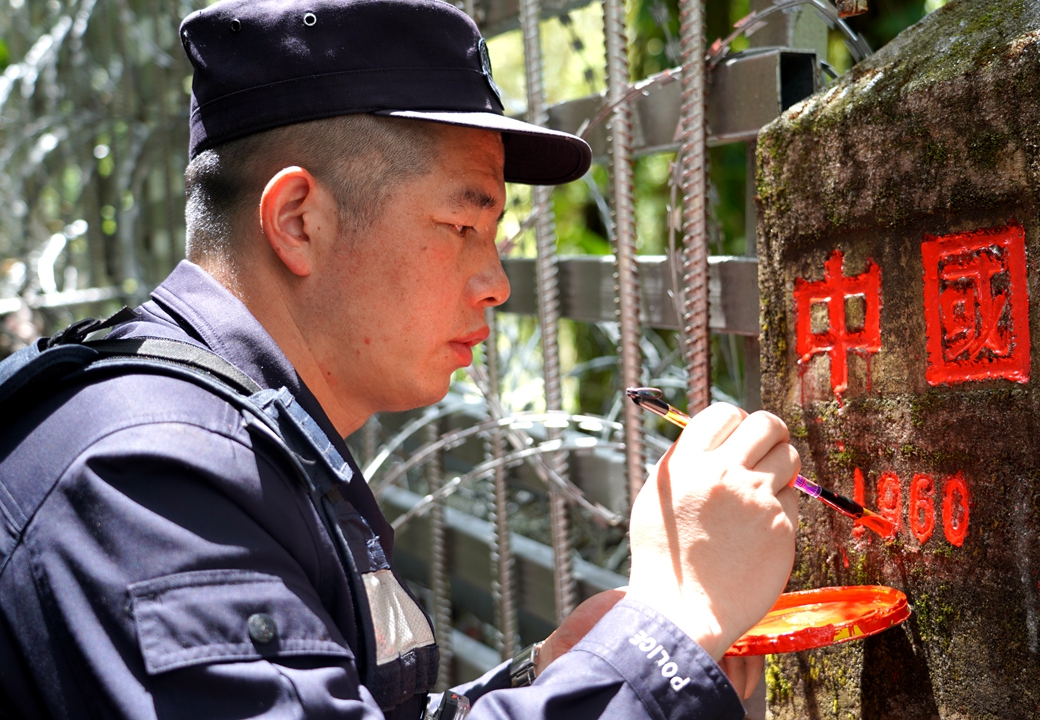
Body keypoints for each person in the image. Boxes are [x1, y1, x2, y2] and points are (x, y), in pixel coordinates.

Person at [0, 0, 801, 717]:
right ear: (299, 222)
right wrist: (667, 626)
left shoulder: (232, 431)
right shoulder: (149, 482)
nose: (494, 283)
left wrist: (553, 673)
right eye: (462, 225)